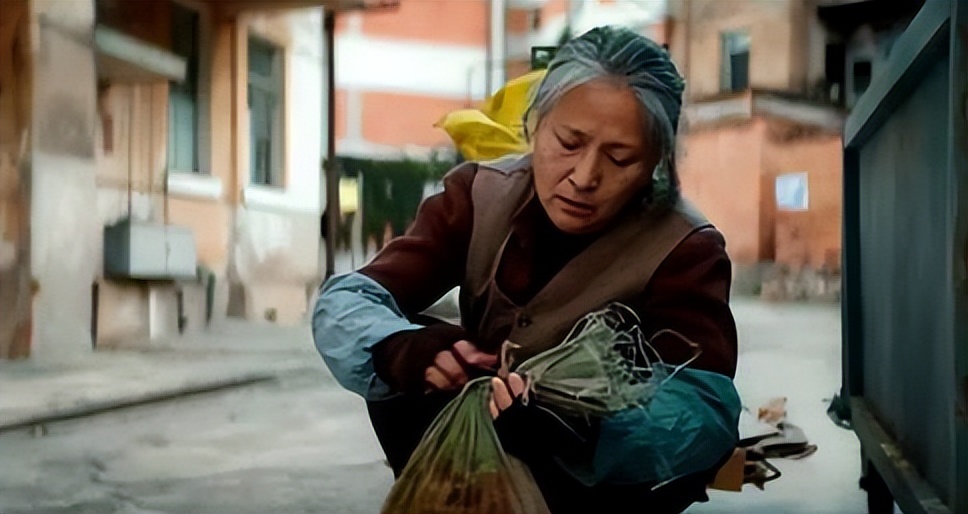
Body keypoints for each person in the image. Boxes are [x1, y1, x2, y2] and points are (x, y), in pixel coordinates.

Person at [313, 26, 741, 514]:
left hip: (597, 488)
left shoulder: (684, 247)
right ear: (536, 126)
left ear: (656, 166)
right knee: (410, 352)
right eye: (568, 142)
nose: (584, 178)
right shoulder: (478, 195)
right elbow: (348, 300)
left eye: (620, 158)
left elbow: (705, 411)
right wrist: (398, 349)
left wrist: (585, 429)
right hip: (471, 466)